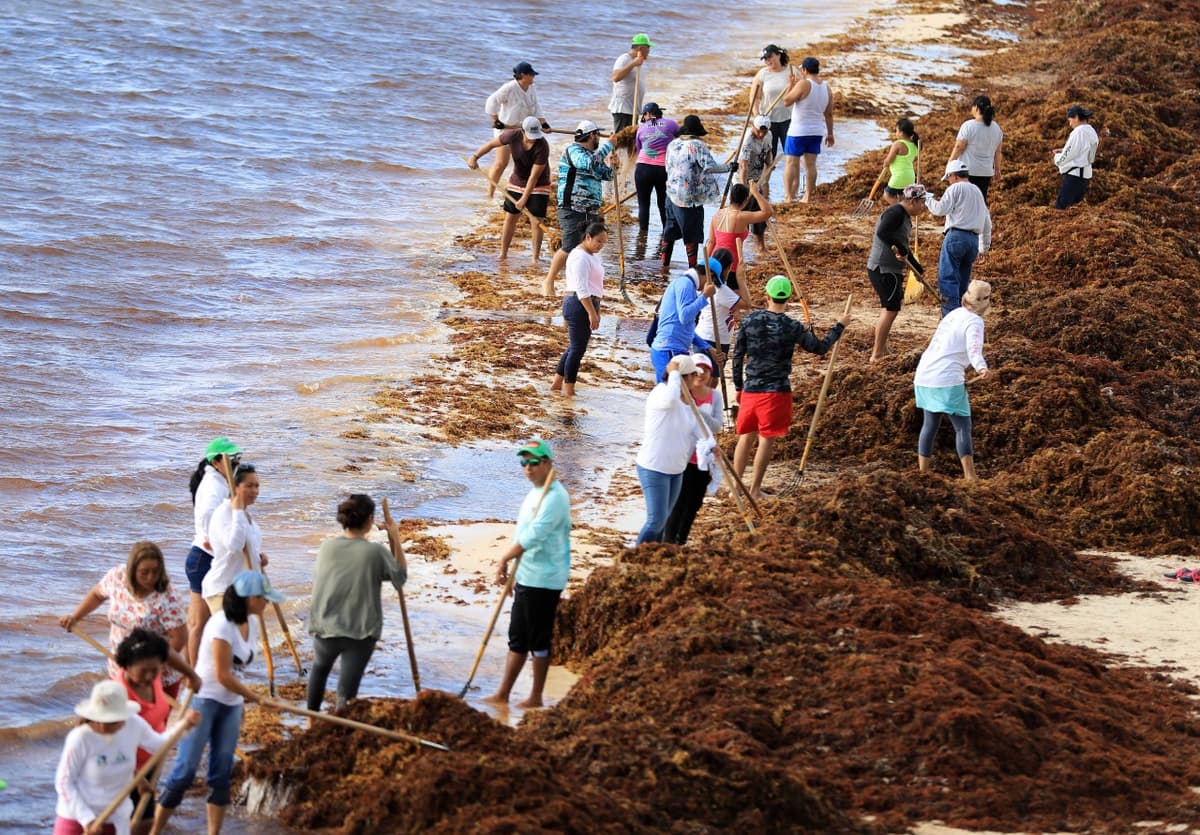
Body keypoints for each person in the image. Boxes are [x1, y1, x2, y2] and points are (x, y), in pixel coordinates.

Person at [151, 572, 283, 835]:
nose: (267, 603)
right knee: (185, 772)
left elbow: (239, 673)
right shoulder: (221, 625)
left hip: (231, 706)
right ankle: (154, 831)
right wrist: (258, 699)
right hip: (204, 702)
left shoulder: (252, 623)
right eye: (264, 598)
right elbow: (222, 675)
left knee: (221, 775)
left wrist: (242, 705)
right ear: (250, 598)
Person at [732, 275, 847, 500]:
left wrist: (738, 386)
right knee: (766, 439)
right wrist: (840, 326)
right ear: (788, 298)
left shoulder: (750, 320)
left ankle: (736, 490)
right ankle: (754, 490)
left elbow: (737, 356)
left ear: (767, 296)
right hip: (776, 392)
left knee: (745, 437)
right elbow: (820, 348)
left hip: (751, 388)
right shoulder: (792, 326)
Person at [484, 439, 571, 709]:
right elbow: (522, 533)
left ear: (547, 463)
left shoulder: (555, 497)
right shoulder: (535, 492)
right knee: (518, 637)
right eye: (524, 462)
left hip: (544, 579)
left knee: (538, 639)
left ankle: (535, 696)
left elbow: (535, 535)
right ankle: (503, 693)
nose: (527, 468)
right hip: (527, 573)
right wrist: (513, 571)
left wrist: (503, 558)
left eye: (533, 462)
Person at [55, 679, 199, 835]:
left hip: (116, 817)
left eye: (113, 721)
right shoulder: (80, 738)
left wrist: (185, 726)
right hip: (77, 816)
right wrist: (87, 819)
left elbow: (159, 745)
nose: (106, 726)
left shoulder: (133, 724)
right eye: (102, 720)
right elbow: (64, 782)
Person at [306, 494, 407, 711]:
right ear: (370, 520)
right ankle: (341, 727)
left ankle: (310, 719)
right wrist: (396, 539)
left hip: (325, 626)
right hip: (360, 632)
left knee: (319, 670)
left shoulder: (327, 547)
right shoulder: (375, 552)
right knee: (346, 691)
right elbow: (400, 579)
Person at [60, 542, 189, 699]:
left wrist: (152, 665)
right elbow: (97, 594)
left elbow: (180, 638)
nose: (150, 578)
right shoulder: (118, 577)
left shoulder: (167, 596)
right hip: (119, 667)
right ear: (132, 570)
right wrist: (75, 617)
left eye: (155, 572)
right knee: (117, 719)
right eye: (144, 572)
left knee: (149, 723)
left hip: (154, 676)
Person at [115, 629, 201, 835]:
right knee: (126, 824)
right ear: (126, 666)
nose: (151, 676)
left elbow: (167, 652)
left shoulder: (152, 671)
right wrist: (139, 780)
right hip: (122, 769)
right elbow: (113, 746)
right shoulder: (119, 697)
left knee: (145, 821)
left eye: (155, 670)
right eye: (144, 671)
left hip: (152, 757)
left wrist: (191, 674)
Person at [914, 280, 992, 481]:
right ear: (985, 303)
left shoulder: (955, 313)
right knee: (962, 427)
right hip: (946, 379)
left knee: (930, 425)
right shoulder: (975, 321)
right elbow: (974, 350)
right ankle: (970, 476)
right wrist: (981, 368)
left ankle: (923, 474)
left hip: (924, 375)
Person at [635, 355, 706, 545]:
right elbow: (670, 401)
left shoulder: (687, 402)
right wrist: (674, 373)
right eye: (692, 375)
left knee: (664, 521)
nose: (696, 380)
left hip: (676, 470)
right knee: (655, 521)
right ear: (685, 377)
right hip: (654, 468)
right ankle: (634, 559)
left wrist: (709, 446)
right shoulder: (662, 393)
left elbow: (695, 431)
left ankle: (653, 560)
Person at [542, 121, 618, 296]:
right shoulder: (574, 151)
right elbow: (588, 164)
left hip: (590, 209)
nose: (599, 138)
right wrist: (609, 146)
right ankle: (549, 280)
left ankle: (578, 283)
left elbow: (606, 175)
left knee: (585, 247)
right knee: (569, 246)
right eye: (598, 135)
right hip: (572, 206)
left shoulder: (593, 155)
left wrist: (614, 166)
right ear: (592, 135)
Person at [184, 437, 241, 667]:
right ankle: (194, 675)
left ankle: (203, 665)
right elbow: (208, 517)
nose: (236, 465)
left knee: (206, 621)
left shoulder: (219, 482)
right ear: (217, 462)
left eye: (237, 461)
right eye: (233, 461)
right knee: (199, 622)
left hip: (209, 559)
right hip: (203, 559)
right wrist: (214, 539)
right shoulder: (213, 486)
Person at [467, 115, 551, 261]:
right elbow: (491, 144)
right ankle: (503, 253)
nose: (533, 139)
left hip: (539, 183)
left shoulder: (542, 146)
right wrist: (475, 157)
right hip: (517, 180)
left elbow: (534, 177)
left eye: (535, 136)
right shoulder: (513, 135)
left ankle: (535, 258)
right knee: (510, 217)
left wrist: (524, 198)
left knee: (536, 221)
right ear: (522, 131)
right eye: (530, 136)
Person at [662, 353, 725, 545]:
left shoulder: (714, 396)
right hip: (682, 457)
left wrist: (696, 410)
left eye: (705, 371)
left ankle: (681, 540)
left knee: (694, 503)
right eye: (696, 371)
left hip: (703, 459)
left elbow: (717, 427)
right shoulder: (680, 395)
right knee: (678, 502)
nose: (700, 374)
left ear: (709, 373)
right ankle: (668, 541)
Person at [661, 114, 735, 269]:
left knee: (669, 230)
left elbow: (667, 166)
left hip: (671, 193)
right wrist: (729, 167)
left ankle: (664, 264)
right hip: (689, 199)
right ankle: (693, 268)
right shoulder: (697, 146)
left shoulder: (672, 144)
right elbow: (711, 167)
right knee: (692, 235)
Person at [867, 183, 928, 361]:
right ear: (913, 201)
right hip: (884, 269)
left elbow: (903, 246)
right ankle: (877, 353)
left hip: (889, 269)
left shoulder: (903, 214)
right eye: (923, 202)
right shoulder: (895, 213)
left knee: (889, 308)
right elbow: (883, 232)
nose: (924, 207)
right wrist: (900, 249)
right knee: (891, 310)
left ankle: (883, 349)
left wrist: (917, 269)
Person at [924, 160, 992, 317]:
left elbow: (940, 209)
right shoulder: (977, 191)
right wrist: (984, 247)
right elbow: (987, 221)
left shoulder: (955, 188)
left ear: (953, 176)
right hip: (973, 241)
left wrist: (926, 198)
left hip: (956, 236)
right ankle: (962, 316)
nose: (948, 182)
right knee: (962, 281)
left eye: (948, 178)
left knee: (948, 279)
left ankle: (950, 317)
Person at [202, 463, 267, 616]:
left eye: (257, 486)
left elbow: (246, 549)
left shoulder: (247, 517)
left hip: (242, 592)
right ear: (235, 487)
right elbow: (234, 546)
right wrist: (237, 511)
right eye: (249, 486)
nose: (255, 491)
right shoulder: (224, 513)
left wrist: (258, 558)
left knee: (244, 638)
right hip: (223, 591)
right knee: (228, 638)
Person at [551, 221, 608, 397]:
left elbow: (595, 285)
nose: (601, 246)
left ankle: (556, 384)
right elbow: (582, 288)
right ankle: (569, 390)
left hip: (588, 302)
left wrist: (596, 309)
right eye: (598, 242)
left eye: (604, 243)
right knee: (577, 349)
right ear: (588, 237)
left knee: (575, 347)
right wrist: (592, 312)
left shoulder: (591, 255)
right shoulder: (579, 256)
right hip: (578, 303)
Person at [483, 62, 549, 198]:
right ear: (523, 75)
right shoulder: (509, 88)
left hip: (524, 130)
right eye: (531, 75)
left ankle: (519, 189)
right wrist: (496, 120)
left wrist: (544, 123)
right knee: (501, 163)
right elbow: (492, 101)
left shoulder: (531, 88)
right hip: (506, 130)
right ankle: (489, 194)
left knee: (524, 161)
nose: (533, 78)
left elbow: (536, 106)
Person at [649, 258, 719, 380]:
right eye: (713, 281)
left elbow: (687, 328)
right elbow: (685, 317)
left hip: (675, 349)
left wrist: (708, 348)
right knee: (669, 392)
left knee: (681, 393)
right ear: (710, 275)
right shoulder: (685, 284)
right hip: (668, 349)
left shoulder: (688, 285)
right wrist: (705, 296)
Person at [781, 56, 834, 202]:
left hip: (798, 131)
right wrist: (830, 134)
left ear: (804, 70)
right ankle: (808, 196)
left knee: (791, 162)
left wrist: (790, 85)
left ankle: (789, 196)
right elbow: (829, 114)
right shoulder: (826, 87)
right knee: (811, 165)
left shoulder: (804, 83)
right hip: (817, 131)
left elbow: (786, 101)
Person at [707, 181, 773, 285]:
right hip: (731, 265)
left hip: (714, 261)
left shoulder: (718, 214)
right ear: (746, 200)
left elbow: (711, 242)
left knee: (718, 293)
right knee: (736, 296)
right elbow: (768, 212)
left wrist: (706, 265)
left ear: (730, 198)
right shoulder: (741, 216)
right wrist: (756, 193)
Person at [694, 248, 742, 376]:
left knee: (710, 379)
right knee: (706, 379)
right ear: (728, 268)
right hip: (713, 339)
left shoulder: (708, 286)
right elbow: (747, 303)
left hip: (712, 337)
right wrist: (741, 279)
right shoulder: (721, 290)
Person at [634, 102, 680, 231]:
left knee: (643, 204)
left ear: (648, 114)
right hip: (663, 169)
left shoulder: (641, 128)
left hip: (643, 168)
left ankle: (643, 234)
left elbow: (638, 150)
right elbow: (680, 138)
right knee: (663, 203)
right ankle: (666, 233)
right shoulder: (671, 124)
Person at [949, 94, 1003, 203]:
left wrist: (950, 162)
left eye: (972, 107)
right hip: (986, 172)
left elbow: (959, 147)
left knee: (963, 201)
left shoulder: (969, 126)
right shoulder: (996, 128)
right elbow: (998, 152)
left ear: (977, 108)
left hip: (967, 171)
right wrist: (997, 170)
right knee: (979, 202)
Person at [749, 44, 792, 157]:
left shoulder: (791, 71)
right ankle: (765, 175)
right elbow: (755, 99)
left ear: (778, 55)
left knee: (791, 155)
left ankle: (791, 175)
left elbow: (801, 93)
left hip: (788, 119)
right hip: (767, 122)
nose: (767, 61)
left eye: (770, 57)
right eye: (765, 59)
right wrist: (757, 117)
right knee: (767, 158)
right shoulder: (762, 74)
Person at [1053, 105, 1099, 210]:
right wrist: (1063, 150)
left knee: (1061, 209)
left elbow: (1067, 155)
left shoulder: (1079, 132)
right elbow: (1083, 150)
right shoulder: (1091, 131)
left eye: (1070, 120)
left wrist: (1057, 158)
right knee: (1073, 210)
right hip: (1084, 176)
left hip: (1075, 177)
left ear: (1077, 118)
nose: (1070, 124)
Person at [738, 116, 776, 243]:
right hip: (743, 181)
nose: (761, 134)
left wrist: (769, 163)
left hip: (757, 179)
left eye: (763, 132)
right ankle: (739, 249)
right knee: (742, 216)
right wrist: (744, 189)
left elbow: (768, 150)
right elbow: (743, 166)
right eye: (758, 131)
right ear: (753, 127)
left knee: (760, 213)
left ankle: (760, 246)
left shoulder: (768, 135)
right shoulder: (747, 141)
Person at [868, 117, 920, 199]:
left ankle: (899, 209)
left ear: (901, 133)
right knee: (901, 197)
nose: (896, 133)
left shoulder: (898, 144)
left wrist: (885, 164)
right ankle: (902, 210)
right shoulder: (914, 145)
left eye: (897, 131)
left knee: (887, 195)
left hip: (899, 177)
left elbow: (888, 160)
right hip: (910, 177)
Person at [610, 34, 652, 132]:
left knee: (630, 141)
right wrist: (633, 64)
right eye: (648, 48)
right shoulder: (624, 58)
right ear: (640, 48)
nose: (649, 51)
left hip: (632, 110)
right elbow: (616, 77)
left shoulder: (636, 62)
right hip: (623, 109)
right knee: (623, 142)